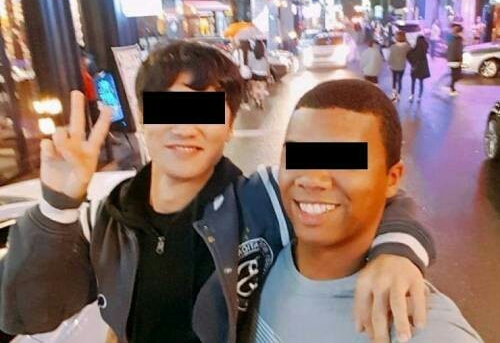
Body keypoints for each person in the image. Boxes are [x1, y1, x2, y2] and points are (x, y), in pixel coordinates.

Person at [0, 42, 436, 343]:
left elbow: (377, 194)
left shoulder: (263, 200)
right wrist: (57, 205)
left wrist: (396, 253)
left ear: (229, 125)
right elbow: (30, 313)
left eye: (205, 112)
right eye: (168, 109)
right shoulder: (104, 217)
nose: (185, 128)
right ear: (144, 117)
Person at [246, 79, 482, 343]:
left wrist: (399, 250)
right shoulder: (261, 258)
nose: (312, 179)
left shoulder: (417, 324)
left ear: (392, 179)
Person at [388, 31, 411, 102]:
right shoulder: (406, 46)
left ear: (397, 37)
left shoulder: (393, 47)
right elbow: (410, 48)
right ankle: (398, 96)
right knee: (400, 80)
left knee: (394, 80)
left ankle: (393, 95)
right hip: (402, 66)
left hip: (394, 66)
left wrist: (389, 64)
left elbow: (390, 58)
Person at [407, 36, 431, 103]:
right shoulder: (425, 49)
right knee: (421, 82)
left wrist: (412, 62)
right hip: (422, 68)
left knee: (413, 82)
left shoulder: (415, 49)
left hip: (415, 67)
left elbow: (408, 54)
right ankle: (419, 97)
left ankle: (412, 95)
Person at [248, 39, 270, 109]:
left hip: (254, 75)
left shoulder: (251, 55)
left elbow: (249, 66)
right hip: (263, 75)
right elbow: (267, 66)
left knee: (254, 89)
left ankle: (256, 100)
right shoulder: (264, 56)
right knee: (262, 89)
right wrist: (268, 75)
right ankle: (261, 101)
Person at [447, 24, 464, 96]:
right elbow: (458, 50)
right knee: (456, 75)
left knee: (454, 75)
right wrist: (460, 60)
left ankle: (452, 87)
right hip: (455, 60)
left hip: (451, 59)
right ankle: (452, 88)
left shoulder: (451, 38)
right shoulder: (458, 39)